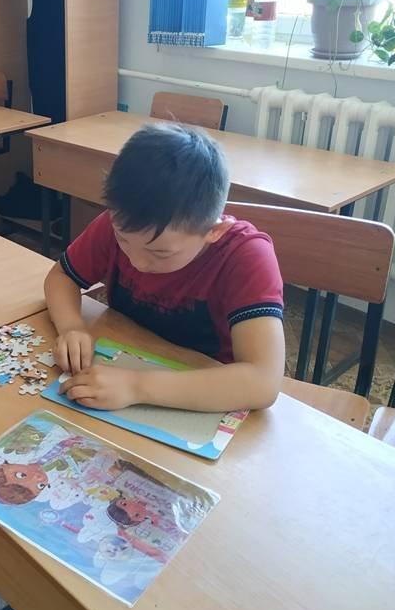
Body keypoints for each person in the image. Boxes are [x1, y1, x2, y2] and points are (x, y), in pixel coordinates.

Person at [43, 123, 285, 412]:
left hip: (207, 390)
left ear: (214, 231)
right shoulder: (124, 222)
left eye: (160, 253)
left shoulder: (245, 256)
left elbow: (263, 382)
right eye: (123, 240)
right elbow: (61, 276)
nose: (138, 262)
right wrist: (71, 327)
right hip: (129, 358)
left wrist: (136, 386)